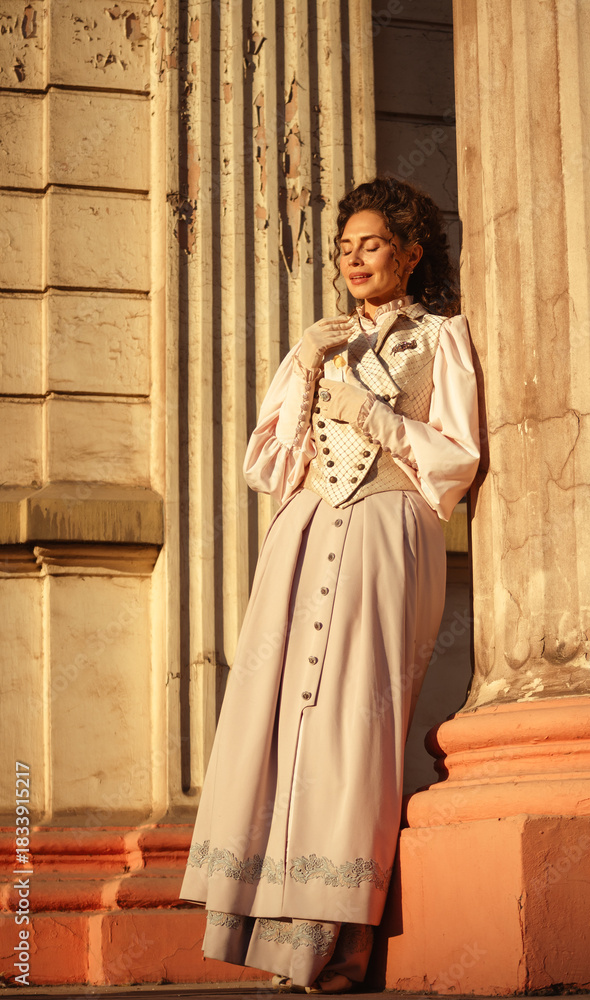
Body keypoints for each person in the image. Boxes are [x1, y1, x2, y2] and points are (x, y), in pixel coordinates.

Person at [179, 176, 480, 993]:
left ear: (411, 252)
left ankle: (341, 939)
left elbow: (457, 459)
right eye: (344, 247)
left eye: (371, 243)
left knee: (357, 719)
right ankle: (278, 942)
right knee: (282, 716)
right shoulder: (317, 342)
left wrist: (376, 417)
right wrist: (308, 364)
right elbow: (267, 464)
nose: (354, 258)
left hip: (389, 528)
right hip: (305, 532)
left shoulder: (442, 340)